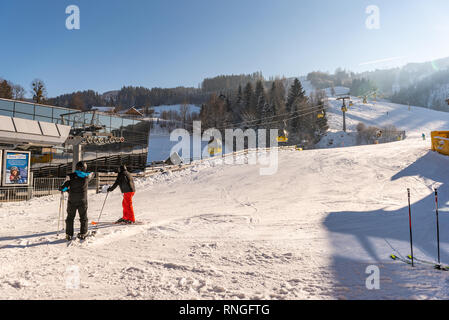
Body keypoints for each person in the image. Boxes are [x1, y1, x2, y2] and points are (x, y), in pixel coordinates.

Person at [59, 161, 94, 240]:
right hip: (83, 201)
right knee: (83, 218)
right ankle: (83, 233)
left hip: (72, 200)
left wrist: (64, 188)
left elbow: (63, 187)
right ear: (84, 168)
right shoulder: (87, 177)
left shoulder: (70, 176)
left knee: (70, 218)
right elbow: (92, 174)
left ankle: (69, 234)